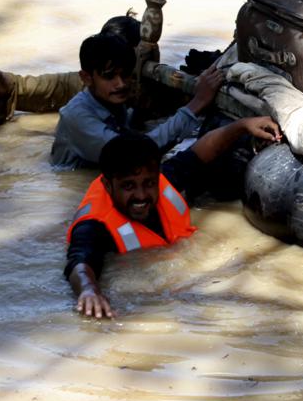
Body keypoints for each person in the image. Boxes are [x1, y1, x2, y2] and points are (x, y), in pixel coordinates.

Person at [68, 125, 281, 319]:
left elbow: (200, 152)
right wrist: (89, 290)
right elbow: (80, 262)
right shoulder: (93, 225)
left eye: (149, 183)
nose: (141, 195)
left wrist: (243, 125)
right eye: (128, 186)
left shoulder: (163, 178)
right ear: (107, 185)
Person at [50, 32, 227, 168]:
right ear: (86, 78)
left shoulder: (111, 102)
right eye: (109, 76)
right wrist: (196, 104)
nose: (120, 84)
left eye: (125, 74)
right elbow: (134, 155)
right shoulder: (76, 116)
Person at [0, 15, 141, 127]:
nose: (120, 82)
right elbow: (23, 88)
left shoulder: (157, 88)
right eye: (109, 72)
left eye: (125, 70)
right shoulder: (82, 88)